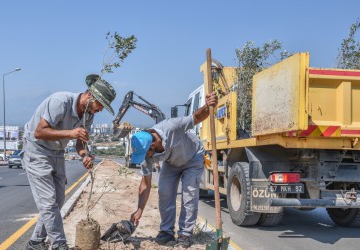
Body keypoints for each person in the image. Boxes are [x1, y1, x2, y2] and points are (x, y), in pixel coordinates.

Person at [22, 74, 116, 250]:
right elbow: (39, 132)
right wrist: (70, 133)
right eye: (101, 105)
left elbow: (80, 142)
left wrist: (84, 156)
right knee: (48, 203)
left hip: (57, 152)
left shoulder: (88, 114)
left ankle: (35, 242)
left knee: (58, 200)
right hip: (37, 150)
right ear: (91, 97)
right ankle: (59, 245)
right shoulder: (60, 101)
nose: (101, 110)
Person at [129, 91, 217, 248]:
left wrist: (208, 105)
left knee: (189, 195)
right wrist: (139, 209)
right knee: (164, 192)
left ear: (152, 145)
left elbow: (196, 117)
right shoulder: (147, 156)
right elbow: (145, 185)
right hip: (171, 163)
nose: (146, 158)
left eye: (146, 154)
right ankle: (166, 231)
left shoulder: (171, 126)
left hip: (193, 157)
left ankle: (185, 234)